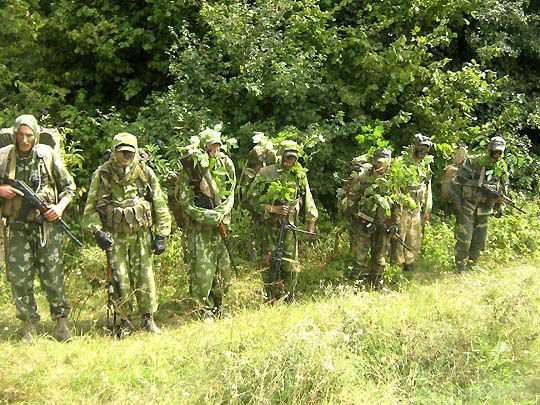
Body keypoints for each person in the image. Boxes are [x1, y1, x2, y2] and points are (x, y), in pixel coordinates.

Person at [82, 132, 171, 337]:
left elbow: (159, 202)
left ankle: (148, 318)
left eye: (131, 152)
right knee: (120, 278)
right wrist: (97, 231)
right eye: (122, 152)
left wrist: (161, 234)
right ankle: (125, 320)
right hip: (115, 236)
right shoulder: (103, 174)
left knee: (145, 276)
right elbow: (91, 208)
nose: (127, 156)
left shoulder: (144, 172)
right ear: (114, 152)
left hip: (141, 234)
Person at [0, 114, 75, 343]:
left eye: (29, 135)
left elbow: (69, 188)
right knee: (20, 278)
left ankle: (61, 324)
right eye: (20, 135)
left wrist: (59, 209)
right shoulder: (4, 157)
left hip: (46, 228)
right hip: (17, 227)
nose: (24, 140)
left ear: (35, 135)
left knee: (53, 275)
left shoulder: (48, 156)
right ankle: (28, 326)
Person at [175, 128, 236, 316]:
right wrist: (206, 216)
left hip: (221, 225)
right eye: (210, 146)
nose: (214, 149)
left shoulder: (225, 163)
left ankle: (222, 305)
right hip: (200, 229)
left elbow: (232, 191)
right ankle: (204, 309)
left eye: (217, 145)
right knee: (202, 270)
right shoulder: (191, 168)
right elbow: (184, 202)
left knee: (224, 268)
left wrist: (221, 212)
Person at [248, 140, 318, 302]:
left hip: (290, 227)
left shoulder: (299, 175)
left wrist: (311, 222)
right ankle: (271, 296)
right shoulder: (266, 173)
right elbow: (251, 199)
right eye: (287, 158)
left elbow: (308, 199)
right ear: (281, 156)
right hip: (269, 227)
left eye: (293, 159)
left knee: (291, 264)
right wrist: (273, 209)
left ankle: (289, 296)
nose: (290, 162)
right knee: (269, 261)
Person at [338, 148, 398, 287]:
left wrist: (395, 223)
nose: (380, 166)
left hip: (383, 224)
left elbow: (397, 203)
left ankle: (377, 283)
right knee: (360, 258)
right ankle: (357, 285)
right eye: (378, 163)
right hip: (363, 224)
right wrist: (364, 221)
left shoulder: (393, 180)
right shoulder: (362, 177)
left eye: (384, 163)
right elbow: (350, 203)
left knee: (380, 257)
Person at [450, 136, 508, 272]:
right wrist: (458, 206)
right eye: (494, 151)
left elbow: (503, 190)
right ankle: (460, 266)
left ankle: (473, 263)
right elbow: (456, 183)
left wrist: (501, 205)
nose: (497, 154)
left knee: (480, 238)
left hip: (485, 208)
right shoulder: (473, 162)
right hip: (468, 206)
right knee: (465, 238)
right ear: (489, 148)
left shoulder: (500, 168)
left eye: (500, 152)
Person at [392, 134, 433, 271]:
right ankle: (396, 266)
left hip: (417, 209)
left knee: (414, 238)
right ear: (414, 146)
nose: (423, 151)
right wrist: (397, 212)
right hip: (403, 209)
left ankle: (409, 264)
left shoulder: (425, 165)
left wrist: (427, 208)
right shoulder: (402, 163)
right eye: (420, 148)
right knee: (399, 239)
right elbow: (396, 188)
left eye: (426, 149)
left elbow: (427, 187)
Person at [237, 132, 277, 261]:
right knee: (259, 248)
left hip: (271, 216)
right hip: (258, 216)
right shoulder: (250, 176)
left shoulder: (269, 174)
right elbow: (248, 199)